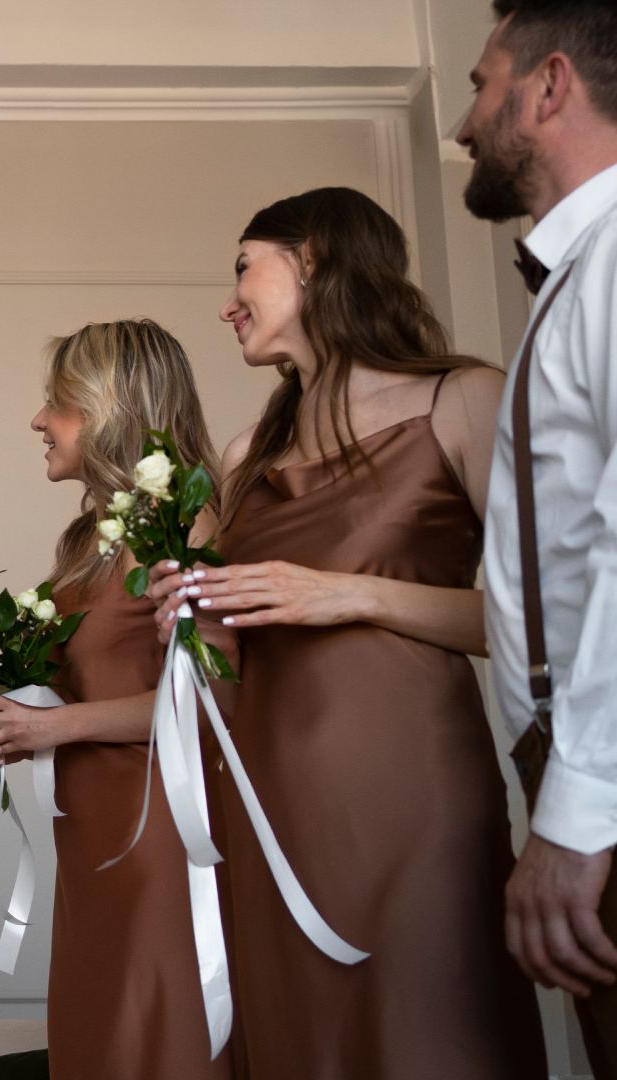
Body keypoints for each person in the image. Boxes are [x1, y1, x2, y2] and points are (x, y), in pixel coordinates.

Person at [148, 186, 544, 1077]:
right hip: (267, 802)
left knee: (427, 1032)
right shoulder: (247, 454)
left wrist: (349, 595)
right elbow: (218, 653)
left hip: (411, 793)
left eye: (244, 268)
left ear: (315, 259)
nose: (228, 302)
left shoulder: (463, 398)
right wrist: (189, 617)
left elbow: (539, 620)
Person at [0, 321, 230, 1079]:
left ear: (109, 409)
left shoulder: (185, 522)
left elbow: (211, 701)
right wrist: (13, 714)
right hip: (91, 836)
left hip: (158, 833)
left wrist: (52, 726)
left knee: (154, 1038)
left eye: (58, 403)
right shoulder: (89, 541)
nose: (38, 421)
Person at [459, 1, 617, 1070]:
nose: (464, 121)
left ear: (549, 85)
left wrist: (578, 809)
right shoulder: (578, 274)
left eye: (482, 85)